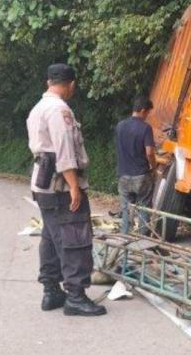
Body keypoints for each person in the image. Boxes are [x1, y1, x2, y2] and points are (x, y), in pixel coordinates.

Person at [26, 62, 106, 316]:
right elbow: (64, 152)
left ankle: (51, 291)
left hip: (43, 184)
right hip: (61, 185)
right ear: (71, 84)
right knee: (75, 239)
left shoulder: (37, 109)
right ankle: (75, 296)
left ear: (48, 82)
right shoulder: (60, 110)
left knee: (50, 237)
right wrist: (74, 187)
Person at [114, 97, 156, 234]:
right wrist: (154, 167)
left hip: (123, 175)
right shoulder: (146, 128)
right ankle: (142, 240)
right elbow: (149, 152)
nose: (147, 117)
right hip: (141, 176)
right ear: (143, 111)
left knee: (126, 209)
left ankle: (125, 238)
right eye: (147, 113)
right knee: (144, 208)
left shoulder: (120, 126)